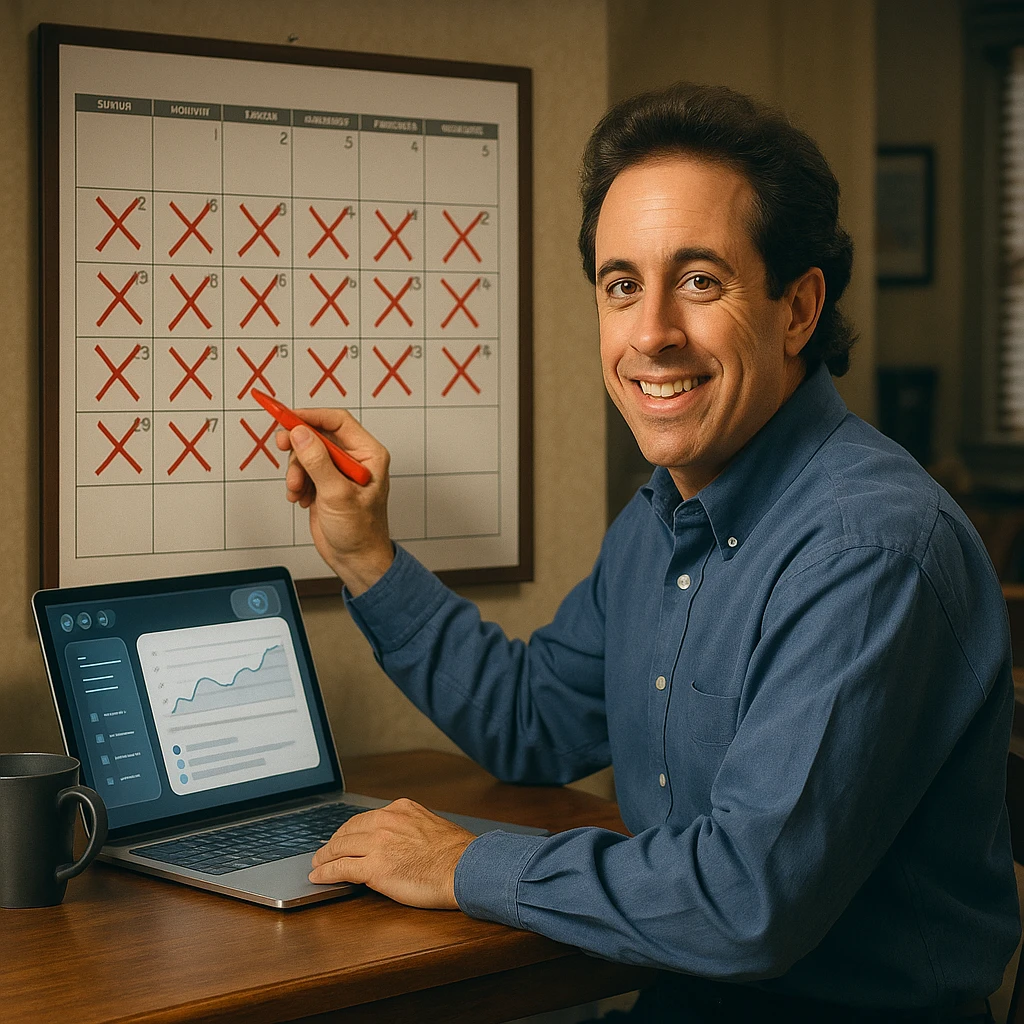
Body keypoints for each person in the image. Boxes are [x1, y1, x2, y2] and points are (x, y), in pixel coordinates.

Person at [276, 83, 1019, 1022]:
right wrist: (366, 557)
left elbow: (745, 901)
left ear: (799, 310)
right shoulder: (663, 516)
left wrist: (462, 864)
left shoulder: (869, 552)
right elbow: (531, 720)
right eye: (622, 284)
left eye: (700, 280)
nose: (651, 332)